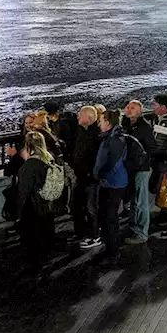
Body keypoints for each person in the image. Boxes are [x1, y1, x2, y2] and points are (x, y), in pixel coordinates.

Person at [88, 110, 128, 261]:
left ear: (108, 123)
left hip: (112, 183)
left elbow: (111, 162)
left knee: (109, 216)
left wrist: (99, 174)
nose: (98, 124)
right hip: (112, 182)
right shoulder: (114, 137)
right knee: (107, 215)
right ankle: (111, 247)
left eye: (101, 121)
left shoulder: (113, 140)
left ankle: (112, 250)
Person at [13, 131, 57, 262]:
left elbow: (23, 192)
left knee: (34, 234)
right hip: (47, 202)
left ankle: (36, 260)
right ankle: (47, 253)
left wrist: (18, 215)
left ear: (27, 145)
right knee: (47, 229)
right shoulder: (49, 158)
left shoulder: (29, 166)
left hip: (33, 206)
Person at [122, 100, 156, 244]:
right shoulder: (125, 124)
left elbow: (152, 148)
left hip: (141, 169)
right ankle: (133, 227)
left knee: (141, 202)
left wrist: (141, 162)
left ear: (140, 111)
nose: (128, 109)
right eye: (128, 107)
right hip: (131, 168)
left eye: (133, 108)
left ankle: (142, 233)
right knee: (134, 200)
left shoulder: (144, 127)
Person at [69, 106, 102, 247]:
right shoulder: (82, 132)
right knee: (79, 205)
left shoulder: (95, 135)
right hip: (81, 176)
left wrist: (90, 172)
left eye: (80, 115)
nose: (77, 118)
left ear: (88, 118)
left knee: (91, 207)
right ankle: (83, 232)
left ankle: (95, 236)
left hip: (90, 178)